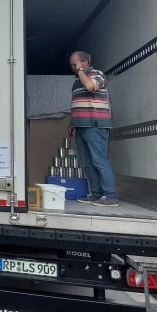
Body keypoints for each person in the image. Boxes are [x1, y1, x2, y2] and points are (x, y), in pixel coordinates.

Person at [68, 51, 118, 207]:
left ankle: (110, 196)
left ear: (85, 61)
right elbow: (79, 103)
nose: (73, 67)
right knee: (87, 163)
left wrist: (80, 71)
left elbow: (90, 86)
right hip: (81, 126)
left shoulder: (97, 74)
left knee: (99, 161)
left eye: (75, 64)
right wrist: (72, 123)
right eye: (72, 65)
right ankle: (96, 194)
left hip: (95, 126)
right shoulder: (77, 81)